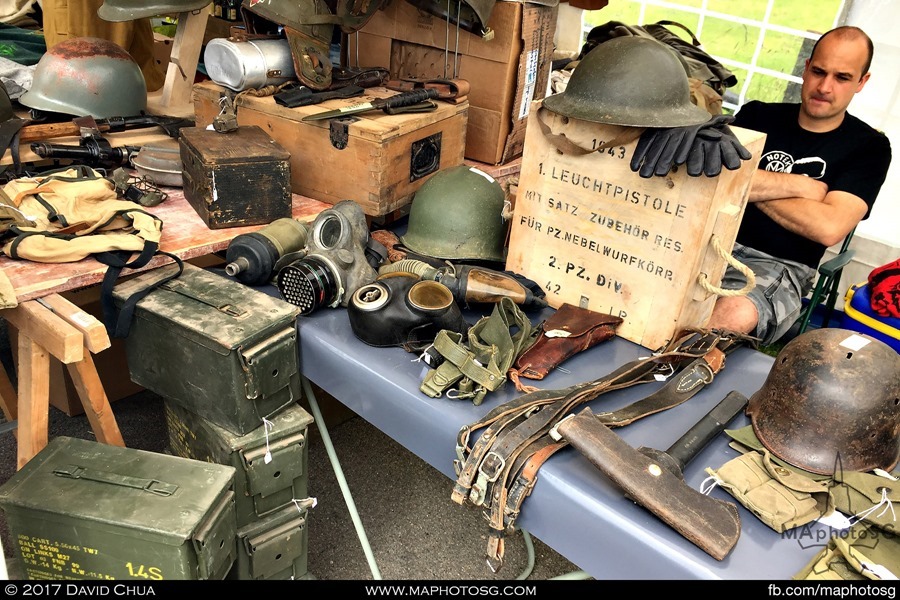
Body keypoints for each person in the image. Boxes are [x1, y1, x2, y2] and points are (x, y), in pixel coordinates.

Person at [706, 25, 892, 345]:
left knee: (734, 313)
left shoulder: (868, 147)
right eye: (818, 71)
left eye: (842, 77)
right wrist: (798, 186)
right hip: (708, 237)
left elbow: (828, 227)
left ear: (862, 82)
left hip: (778, 266)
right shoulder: (758, 115)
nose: (825, 86)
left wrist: (743, 181)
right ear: (806, 69)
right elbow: (708, 173)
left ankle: (663, 375)